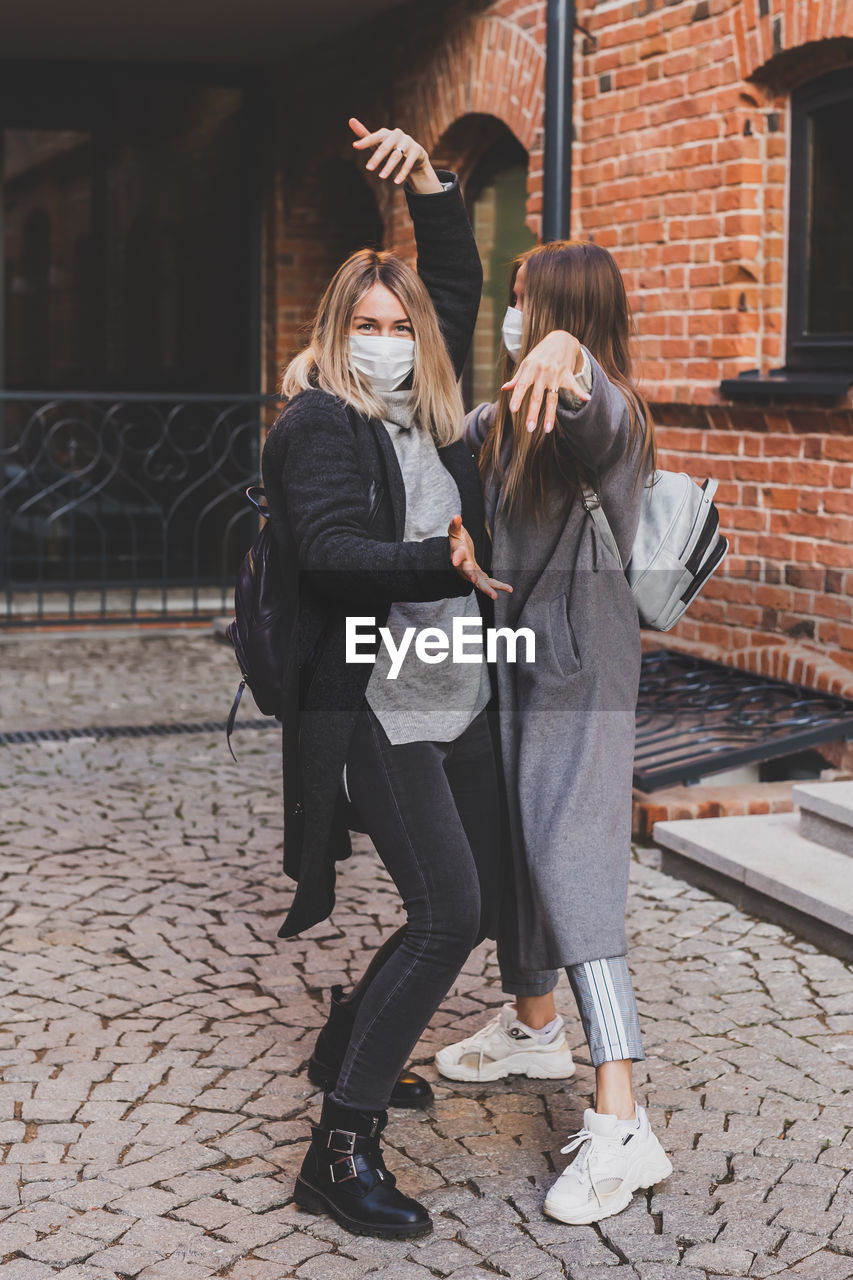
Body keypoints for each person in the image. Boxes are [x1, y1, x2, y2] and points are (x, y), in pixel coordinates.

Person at [261, 118, 510, 1240]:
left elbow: (452, 271)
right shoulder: (317, 420)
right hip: (373, 703)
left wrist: (436, 184)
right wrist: (438, 562)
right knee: (447, 911)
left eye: (398, 324)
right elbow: (326, 554)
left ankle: (337, 1044)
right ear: (334, 332)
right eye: (364, 324)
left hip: (453, 690)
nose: (385, 339)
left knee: (464, 894)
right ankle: (339, 1146)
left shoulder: (429, 412)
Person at [435, 241, 673, 1225]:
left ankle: (623, 1113)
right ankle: (536, 1022)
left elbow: (593, 406)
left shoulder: (603, 415)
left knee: (572, 861)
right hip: (513, 660)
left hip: (580, 667)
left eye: (526, 304)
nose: (510, 315)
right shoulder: (505, 422)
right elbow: (446, 438)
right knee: (519, 848)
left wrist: (568, 347)